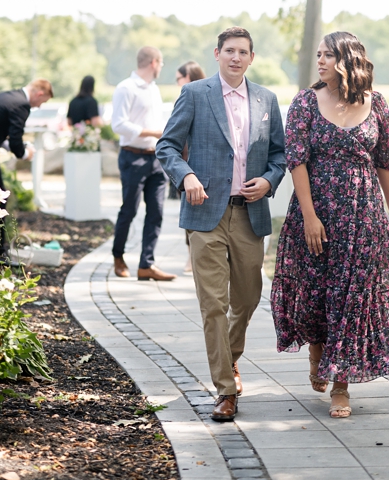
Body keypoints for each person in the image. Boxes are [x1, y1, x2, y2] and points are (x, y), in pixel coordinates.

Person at [270, 31, 389, 418]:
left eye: (326, 55)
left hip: (363, 213)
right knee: (317, 290)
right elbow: (297, 160)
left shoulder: (378, 104)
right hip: (316, 208)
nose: (319, 61)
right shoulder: (305, 102)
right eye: (318, 55)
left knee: (351, 298)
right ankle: (318, 352)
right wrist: (309, 216)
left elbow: (387, 163)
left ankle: (341, 384)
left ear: (346, 60)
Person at [156, 27, 286, 423]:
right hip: (206, 214)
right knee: (214, 303)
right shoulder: (196, 94)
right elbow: (167, 146)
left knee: (246, 300)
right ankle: (225, 390)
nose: (235, 57)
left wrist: (268, 181)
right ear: (217, 54)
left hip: (250, 215)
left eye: (242, 52)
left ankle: (230, 359)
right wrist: (186, 176)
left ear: (251, 57)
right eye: (229, 50)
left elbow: (280, 155)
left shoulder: (267, 100)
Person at [108, 47, 176, 281]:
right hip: (132, 157)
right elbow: (118, 124)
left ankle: (146, 264)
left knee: (156, 212)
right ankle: (118, 256)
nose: (161, 68)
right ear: (154, 62)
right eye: (161, 63)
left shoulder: (154, 90)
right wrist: (152, 132)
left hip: (156, 158)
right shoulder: (125, 88)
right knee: (129, 210)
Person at [175, 60, 206, 273]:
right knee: (190, 216)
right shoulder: (184, 97)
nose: (177, 82)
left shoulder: (204, 97)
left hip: (200, 165)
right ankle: (190, 256)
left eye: (179, 78)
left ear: (189, 77)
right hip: (186, 170)